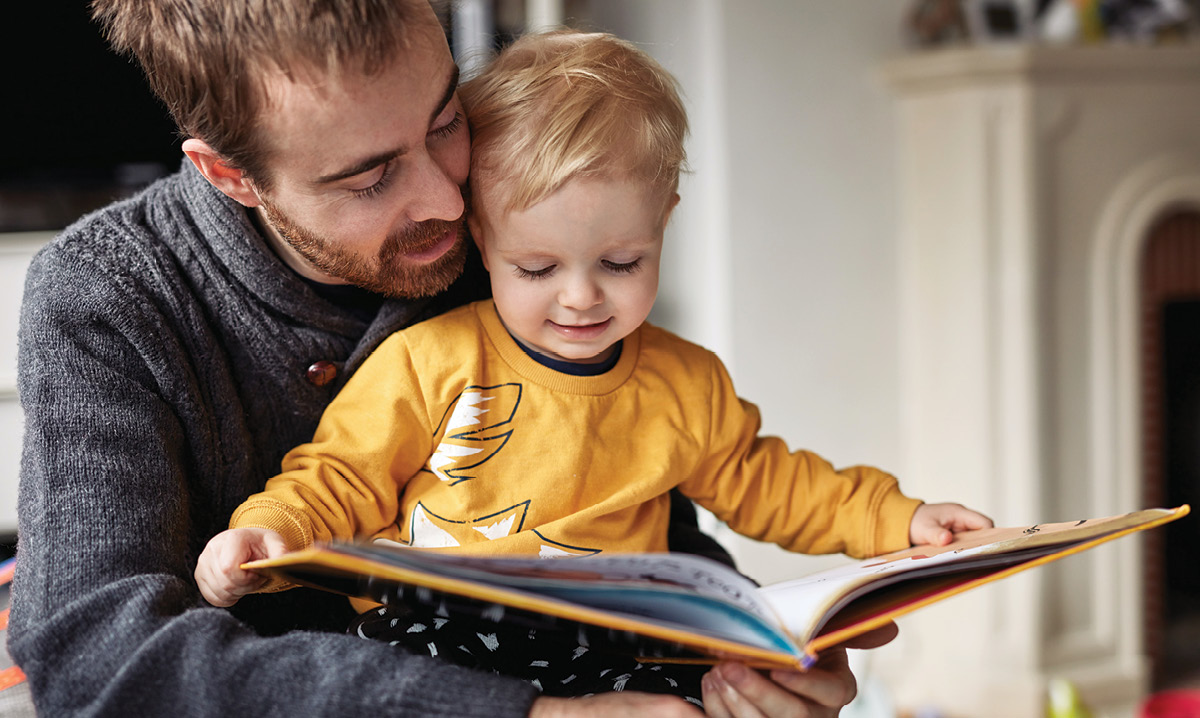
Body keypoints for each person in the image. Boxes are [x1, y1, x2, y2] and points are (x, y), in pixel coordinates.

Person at [8, 1, 910, 716]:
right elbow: (98, 668)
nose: (449, 197)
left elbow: (642, 511)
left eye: (446, 121)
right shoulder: (107, 295)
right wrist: (517, 711)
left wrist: (747, 657)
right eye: (369, 177)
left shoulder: (514, 225)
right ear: (229, 175)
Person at [194, 29, 993, 708]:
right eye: (536, 269)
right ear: (480, 235)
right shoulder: (432, 359)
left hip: (616, 636)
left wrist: (902, 522)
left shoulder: (686, 384)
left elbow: (772, 482)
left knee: (707, 689)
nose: (581, 298)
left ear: (664, 219)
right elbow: (342, 477)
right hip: (452, 629)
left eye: (620, 259)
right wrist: (272, 533)